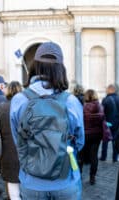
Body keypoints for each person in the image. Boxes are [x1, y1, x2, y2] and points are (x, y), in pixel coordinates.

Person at [10, 41, 84, 199]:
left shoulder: (19, 100)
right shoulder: (70, 101)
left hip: (31, 181)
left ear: (34, 66)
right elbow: (80, 141)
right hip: (65, 180)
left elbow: (18, 140)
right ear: (61, 69)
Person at [0, 81, 21, 200]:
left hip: (8, 150)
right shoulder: (27, 105)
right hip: (23, 149)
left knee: (12, 183)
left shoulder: (2, 106)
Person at [79, 89, 105, 185]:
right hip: (96, 135)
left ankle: (79, 174)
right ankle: (92, 177)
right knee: (94, 156)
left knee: (81, 155)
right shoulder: (99, 106)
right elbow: (103, 119)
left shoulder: (82, 107)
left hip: (84, 134)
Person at [100, 84, 119, 162]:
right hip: (117, 123)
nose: (106, 90)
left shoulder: (105, 100)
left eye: (107, 89)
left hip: (107, 123)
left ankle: (104, 156)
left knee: (105, 140)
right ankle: (115, 157)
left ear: (110, 90)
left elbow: (102, 113)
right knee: (115, 140)